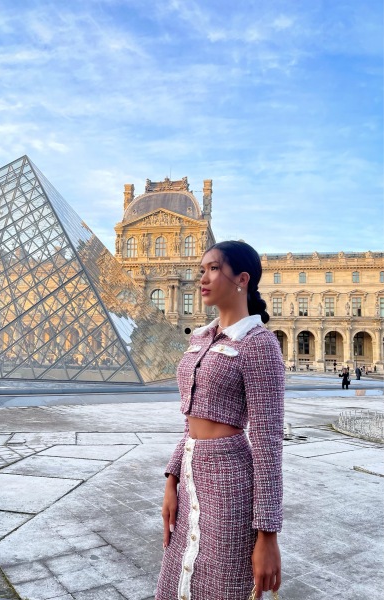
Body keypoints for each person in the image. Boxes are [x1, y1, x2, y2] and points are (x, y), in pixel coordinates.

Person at [156, 240, 285, 600]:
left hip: (231, 482)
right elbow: (190, 419)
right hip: (189, 477)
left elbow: (268, 441)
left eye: (213, 269)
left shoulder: (259, 343)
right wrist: (172, 478)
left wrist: (268, 535)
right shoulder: (200, 339)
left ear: (242, 279)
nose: (202, 278)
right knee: (177, 582)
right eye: (202, 270)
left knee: (223, 586)